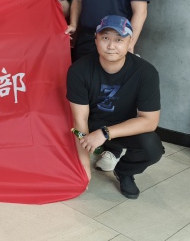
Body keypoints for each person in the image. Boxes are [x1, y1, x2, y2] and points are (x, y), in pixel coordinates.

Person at [67, 15, 163, 199]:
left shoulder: (146, 72)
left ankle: (124, 171)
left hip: (123, 127)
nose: (111, 46)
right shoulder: (79, 70)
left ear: (130, 42)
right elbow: (80, 120)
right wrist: (84, 171)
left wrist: (105, 133)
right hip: (90, 125)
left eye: (119, 39)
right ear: (96, 40)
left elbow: (150, 121)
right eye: (105, 38)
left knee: (152, 148)